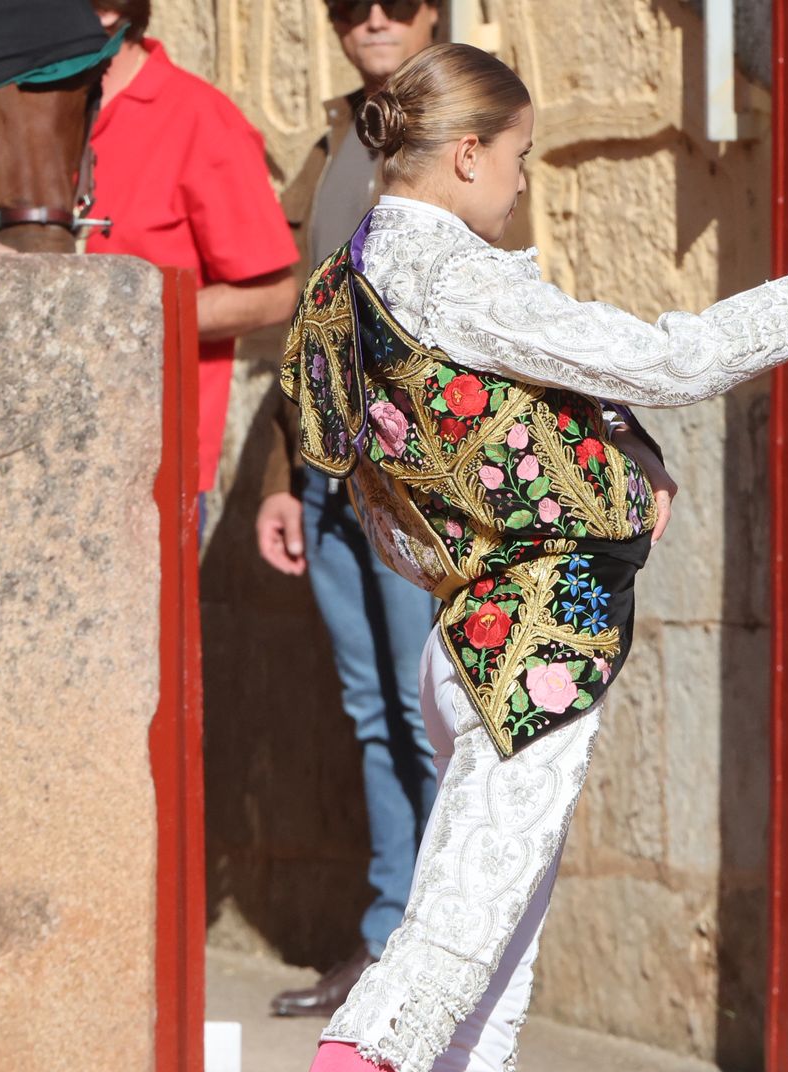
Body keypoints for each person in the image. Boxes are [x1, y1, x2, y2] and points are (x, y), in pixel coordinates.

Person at [202, 42, 788, 1072]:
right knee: (446, 956)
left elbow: (398, 499)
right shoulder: (443, 270)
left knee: (483, 984)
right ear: (467, 152)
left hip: (479, 625)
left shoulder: (354, 282)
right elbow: (661, 356)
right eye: (521, 158)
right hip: (527, 640)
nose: (524, 184)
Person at [256, 0, 443, 1020]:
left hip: (410, 478)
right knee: (374, 714)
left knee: (428, 713)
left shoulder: (461, 127)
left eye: (396, 1)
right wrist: (281, 477)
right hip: (327, 473)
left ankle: (440, 955)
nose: (372, 17)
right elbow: (300, 318)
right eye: (348, 3)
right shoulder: (336, 138)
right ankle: (383, 939)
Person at [86, 0, 301, 498]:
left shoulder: (199, 116)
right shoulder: (24, 105)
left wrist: (125, 315)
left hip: (153, 465)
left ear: (107, 10)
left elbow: (274, 295)